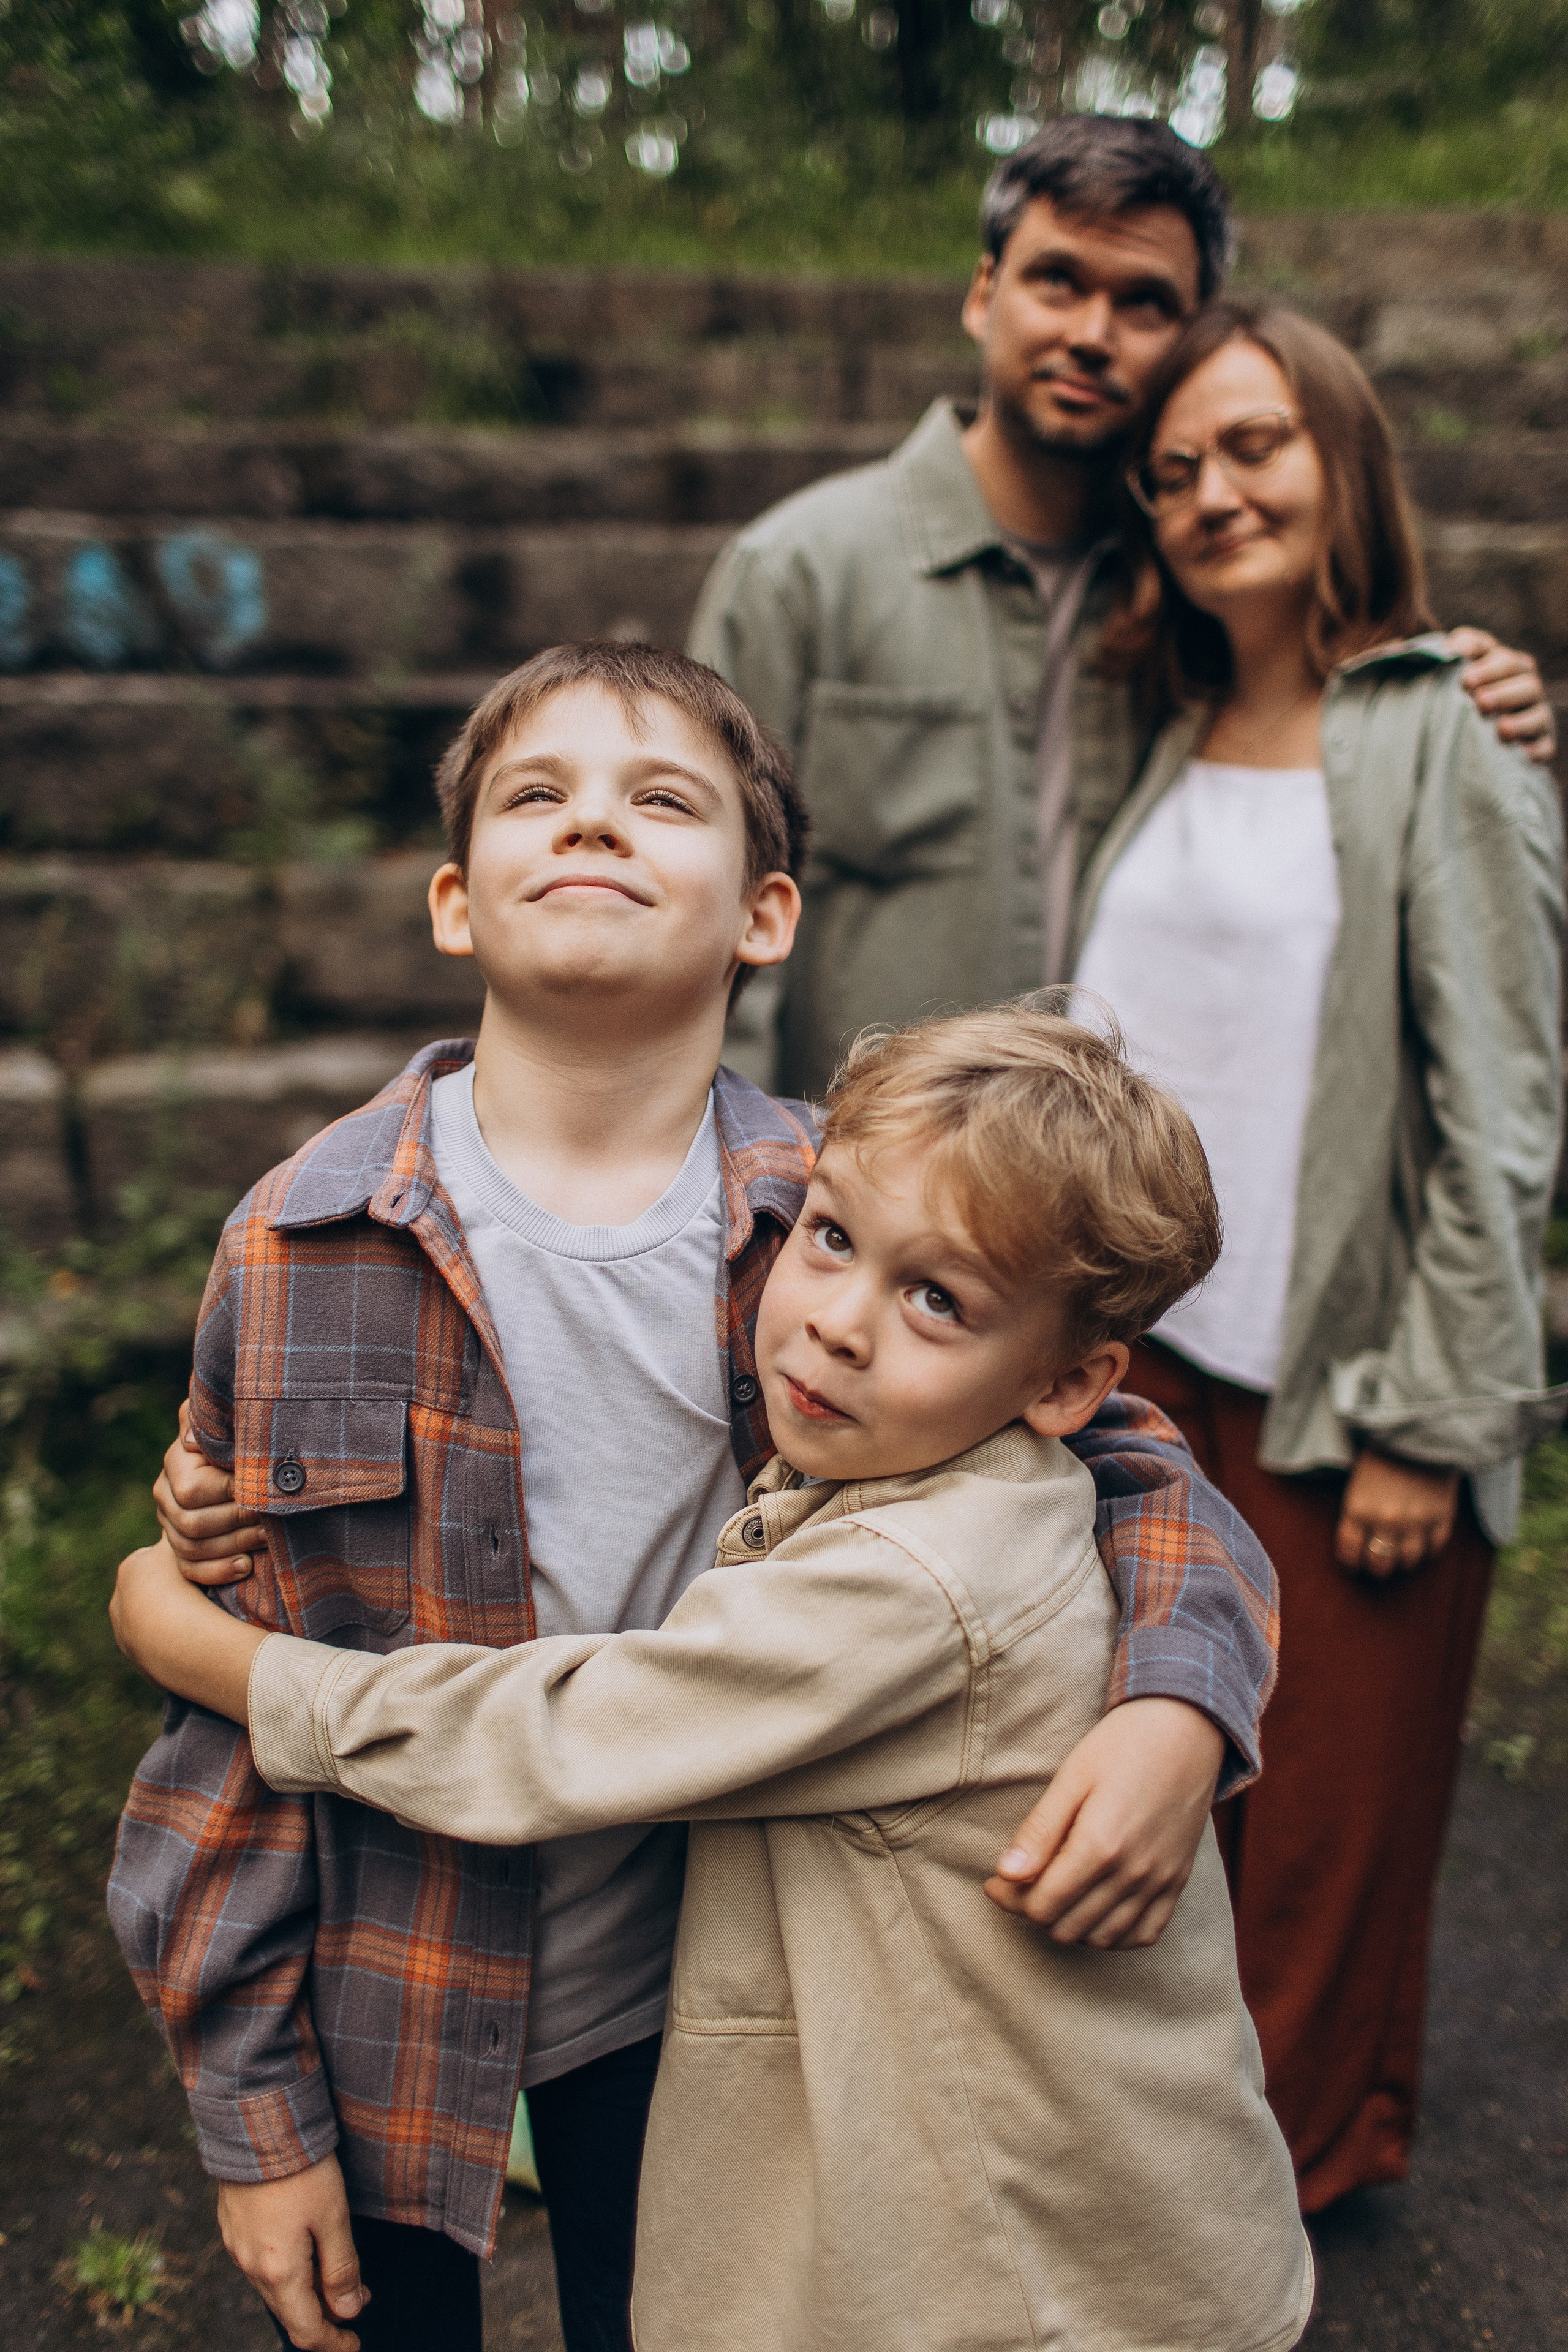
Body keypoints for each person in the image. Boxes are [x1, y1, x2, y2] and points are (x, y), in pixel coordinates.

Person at [109, 641, 1280, 2352]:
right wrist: (252, 2105)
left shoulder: (846, 1218)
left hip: (714, 2002)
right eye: (540, 795)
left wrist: (1182, 1700)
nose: (596, 823)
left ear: (767, 914)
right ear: (454, 899)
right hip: (396, 1999)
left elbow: (1129, 1460)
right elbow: (224, 1719)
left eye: (663, 800)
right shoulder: (302, 1241)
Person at [1070, 297, 1564, 2211]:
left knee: (1324, 1857)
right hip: (1149, 1381)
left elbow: (1505, 1110)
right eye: (1176, 467)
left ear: (1344, 459)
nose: (1211, 491)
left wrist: (1436, 1421)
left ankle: (1257, 2227)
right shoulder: (1171, 721)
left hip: (1346, 1388)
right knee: (1162, 1821)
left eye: (1255, 445)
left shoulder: (1444, 727)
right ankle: (1165, 2200)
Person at [687, 111, 1558, 1100]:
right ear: (984, 294)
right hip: (855, 1201)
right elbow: (712, 941)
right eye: (1057, 280)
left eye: (1144, 303)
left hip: (1114, 1205)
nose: (1091, 335)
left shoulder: (1204, 592)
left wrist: (1471, 688)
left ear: (1193, 339)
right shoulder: (798, 572)